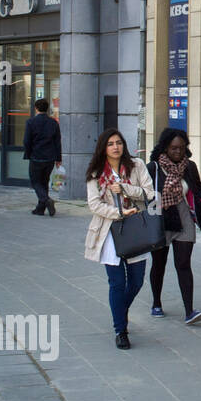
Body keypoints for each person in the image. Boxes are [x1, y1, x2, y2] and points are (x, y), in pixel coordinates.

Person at [84, 129, 156, 350]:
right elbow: (94, 204)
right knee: (117, 283)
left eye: (119, 143)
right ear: (103, 148)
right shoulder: (96, 173)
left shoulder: (136, 166)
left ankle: (119, 312)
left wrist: (125, 188)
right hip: (109, 232)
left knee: (136, 281)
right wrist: (118, 213)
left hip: (135, 229)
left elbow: (150, 193)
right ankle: (120, 330)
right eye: (110, 144)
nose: (115, 147)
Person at [147, 127, 201, 326]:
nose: (178, 152)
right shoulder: (154, 168)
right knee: (159, 264)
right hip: (161, 221)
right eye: (173, 148)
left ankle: (189, 310)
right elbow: (145, 195)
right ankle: (156, 302)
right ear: (165, 148)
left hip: (184, 219)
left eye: (181, 148)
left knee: (183, 264)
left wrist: (199, 204)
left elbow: (198, 189)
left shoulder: (190, 166)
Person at [22, 98, 62, 216]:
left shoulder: (31, 122)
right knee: (44, 182)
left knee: (35, 181)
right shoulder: (53, 122)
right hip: (50, 158)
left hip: (36, 156)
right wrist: (58, 158)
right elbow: (57, 142)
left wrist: (28, 153)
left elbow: (26, 141)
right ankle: (40, 209)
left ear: (36, 108)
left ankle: (46, 199)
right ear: (47, 108)